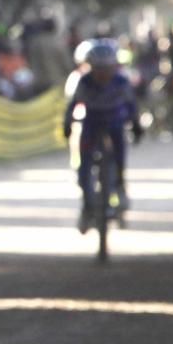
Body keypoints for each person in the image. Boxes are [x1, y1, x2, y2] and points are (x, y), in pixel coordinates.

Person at [63, 38, 142, 233]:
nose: (103, 74)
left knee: (119, 157)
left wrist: (136, 125)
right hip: (91, 125)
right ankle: (87, 207)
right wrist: (67, 124)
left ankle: (120, 187)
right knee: (84, 167)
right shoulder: (84, 82)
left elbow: (132, 106)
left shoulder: (121, 82)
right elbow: (72, 106)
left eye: (108, 69)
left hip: (114, 124)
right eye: (99, 69)